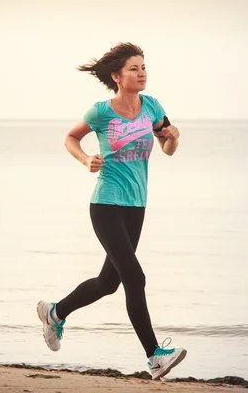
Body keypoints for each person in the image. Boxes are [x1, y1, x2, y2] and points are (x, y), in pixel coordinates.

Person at [37, 42, 187, 380]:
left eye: (144, 67)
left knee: (108, 282)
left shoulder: (152, 107)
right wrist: (86, 159)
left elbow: (167, 147)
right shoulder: (101, 112)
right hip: (106, 203)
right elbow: (71, 138)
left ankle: (55, 313)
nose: (142, 73)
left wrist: (173, 137)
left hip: (136, 205)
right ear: (117, 76)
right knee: (135, 277)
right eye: (134, 68)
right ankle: (154, 357)